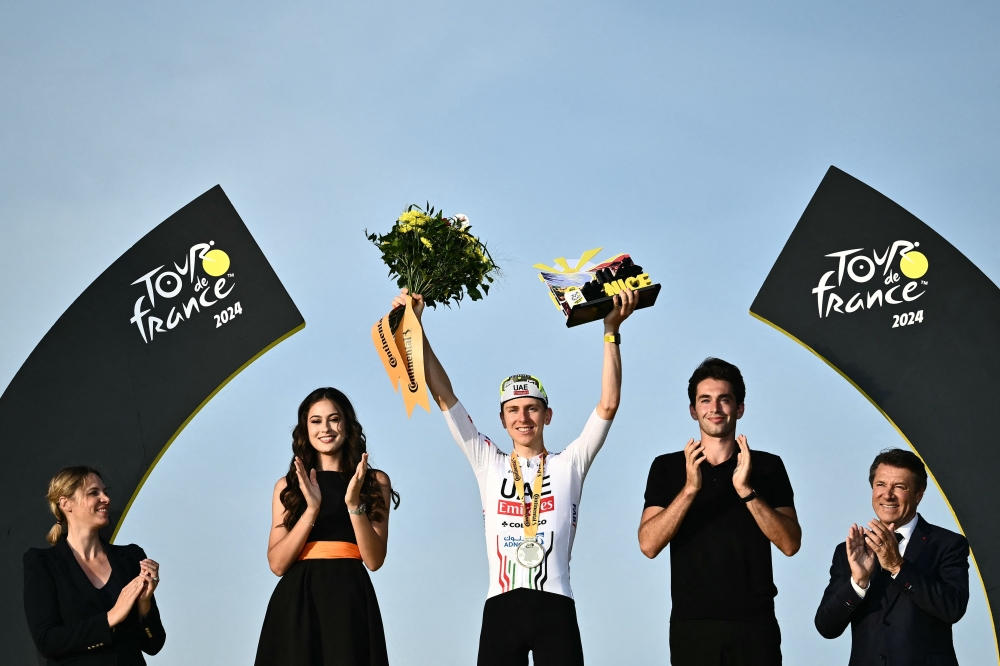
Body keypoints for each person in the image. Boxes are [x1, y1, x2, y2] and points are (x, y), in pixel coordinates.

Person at [395, 285, 637, 666]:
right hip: (501, 609)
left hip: (556, 605)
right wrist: (415, 326)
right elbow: (444, 395)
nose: (523, 418)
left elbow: (608, 403)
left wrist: (611, 331)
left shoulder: (569, 462)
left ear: (547, 415)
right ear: (503, 420)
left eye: (532, 409)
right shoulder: (487, 460)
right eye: (514, 410)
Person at [638, 358, 801, 665]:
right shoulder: (668, 468)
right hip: (692, 626)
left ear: (739, 408)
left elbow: (790, 543)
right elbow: (648, 544)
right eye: (705, 400)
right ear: (693, 410)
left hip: (755, 625)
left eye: (724, 400)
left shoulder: (767, 466)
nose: (715, 408)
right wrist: (689, 489)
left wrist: (746, 491)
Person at [254, 387, 400, 666]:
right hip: (297, 603)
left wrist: (353, 503)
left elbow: (374, 559)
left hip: (350, 599)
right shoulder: (287, 487)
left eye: (334, 419)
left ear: (347, 424)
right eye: (316, 421)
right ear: (304, 429)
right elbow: (277, 564)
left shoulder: (374, 481)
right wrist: (312, 509)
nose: (326, 428)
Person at [814, 448, 969, 665]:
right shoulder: (849, 550)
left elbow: (952, 608)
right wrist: (858, 583)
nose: (887, 495)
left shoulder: (948, 544)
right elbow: (826, 627)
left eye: (899, 487)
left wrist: (897, 565)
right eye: (880, 485)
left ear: (919, 494)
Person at [22, 466, 165, 666]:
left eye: (105, 492)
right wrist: (110, 618)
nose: (105, 499)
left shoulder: (131, 557)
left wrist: (144, 606)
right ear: (65, 503)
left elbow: (154, 644)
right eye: (93, 493)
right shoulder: (42, 563)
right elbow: (47, 642)